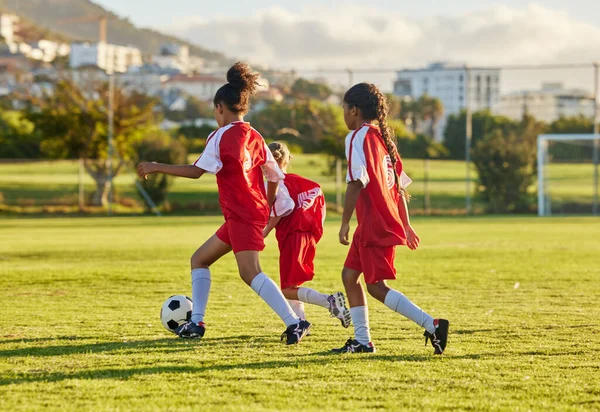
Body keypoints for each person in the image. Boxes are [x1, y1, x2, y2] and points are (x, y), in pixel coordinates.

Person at [137, 62, 311, 345]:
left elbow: (196, 171)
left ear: (220, 107)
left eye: (215, 111)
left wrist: (156, 165)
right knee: (200, 259)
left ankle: (295, 322)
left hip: (242, 214)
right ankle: (196, 323)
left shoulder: (219, 136)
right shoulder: (256, 136)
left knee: (250, 273)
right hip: (245, 213)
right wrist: (265, 205)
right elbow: (275, 175)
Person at [332, 83, 449, 354]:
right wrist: (406, 224)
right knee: (350, 276)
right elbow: (400, 188)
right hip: (378, 222)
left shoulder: (357, 137)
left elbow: (355, 182)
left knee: (376, 287)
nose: (344, 115)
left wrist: (345, 221)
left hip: (374, 223)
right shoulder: (385, 141)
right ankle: (362, 341)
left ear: (354, 110)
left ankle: (433, 325)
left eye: (344, 109)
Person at [264, 142, 351, 328]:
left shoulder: (276, 182)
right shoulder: (307, 184)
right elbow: (320, 206)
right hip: (307, 236)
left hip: (292, 236)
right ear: (288, 160)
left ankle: (329, 301)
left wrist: (264, 232)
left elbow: (284, 206)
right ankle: (300, 323)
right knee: (292, 284)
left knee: (287, 290)